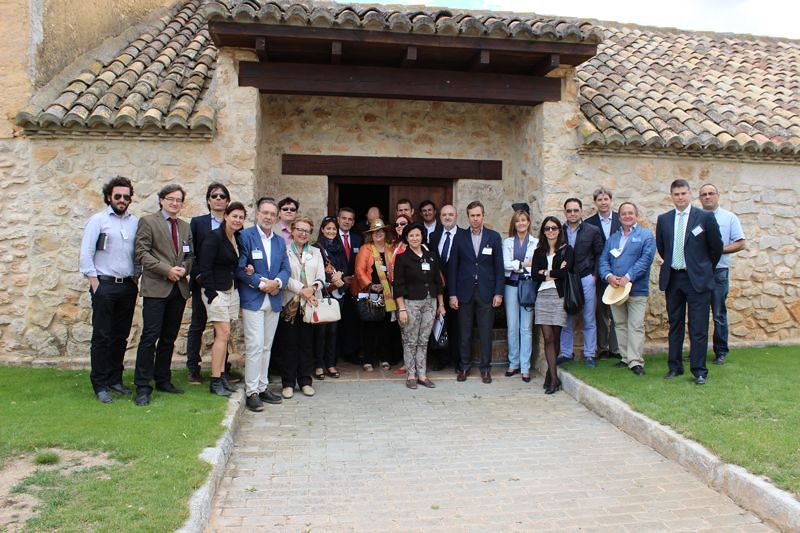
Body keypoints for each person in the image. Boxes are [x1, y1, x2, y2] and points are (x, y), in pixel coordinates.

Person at [79, 176, 140, 404]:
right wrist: (95, 283)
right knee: (102, 336)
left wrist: (136, 277)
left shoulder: (134, 223)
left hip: (126, 285)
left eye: (126, 196)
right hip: (104, 284)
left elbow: (139, 251)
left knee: (120, 336)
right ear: (108, 197)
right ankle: (100, 383)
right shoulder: (98, 220)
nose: (122, 200)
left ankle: (115, 379)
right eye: (118, 196)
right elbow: (86, 252)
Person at [656, 179, 722, 385]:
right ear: (671, 196)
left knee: (698, 326)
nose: (680, 197)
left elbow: (716, 248)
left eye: (683, 193)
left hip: (698, 280)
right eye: (676, 194)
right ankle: (674, 367)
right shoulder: (664, 219)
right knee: (675, 324)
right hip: (674, 278)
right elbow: (662, 248)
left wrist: (703, 268)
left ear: (690, 194)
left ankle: (699, 370)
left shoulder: (704, 218)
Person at [133, 184, 194, 406]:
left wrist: (183, 270)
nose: (175, 203)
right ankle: (142, 385)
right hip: (156, 288)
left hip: (178, 289)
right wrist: (166, 269)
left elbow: (190, 257)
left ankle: (163, 379)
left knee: (169, 338)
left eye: (178, 200)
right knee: (150, 337)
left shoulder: (185, 227)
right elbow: (141, 253)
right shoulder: (148, 222)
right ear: (161, 200)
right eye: (170, 199)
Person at [237, 197, 290, 412]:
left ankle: (262, 386)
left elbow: (286, 269)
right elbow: (241, 268)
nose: (268, 217)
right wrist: (262, 284)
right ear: (257, 213)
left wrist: (277, 283)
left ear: (276, 217)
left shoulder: (278, 241)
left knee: (267, 345)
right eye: (264, 212)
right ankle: (251, 392)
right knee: (255, 345)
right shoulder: (245, 236)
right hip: (254, 298)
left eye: (272, 214)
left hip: (274, 299)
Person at [448, 201, 504, 384]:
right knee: (464, 333)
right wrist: (452, 294)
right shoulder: (459, 237)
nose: (475, 219)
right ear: (468, 217)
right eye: (472, 215)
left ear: (483, 215)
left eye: (478, 215)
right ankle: (464, 367)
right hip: (464, 293)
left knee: (485, 332)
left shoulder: (494, 237)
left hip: (486, 292)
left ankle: (486, 369)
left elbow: (499, 268)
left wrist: (498, 293)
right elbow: (453, 268)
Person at [598, 202, 655, 376]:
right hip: (615, 289)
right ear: (619, 216)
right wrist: (609, 276)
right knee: (620, 324)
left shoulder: (646, 235)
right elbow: (603, 261)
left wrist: (628, 277)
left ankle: (636, 361)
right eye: (623, 213)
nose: (627, 216)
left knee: (635, 325)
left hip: (636, 288)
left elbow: (646, 260)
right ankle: (624, 357)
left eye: (630, 213)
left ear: (636, 215)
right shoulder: (613, 238)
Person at [196, 202, 247, 396]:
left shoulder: (237, 238)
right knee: (222, 334)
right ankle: (215, 380)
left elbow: (233, 263)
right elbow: (204, 268)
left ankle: (222, 377)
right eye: (234, 216)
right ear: (225, 216)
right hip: (216, 291)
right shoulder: (213, 237)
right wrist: (211, 295)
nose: (237, 220)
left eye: (241, 217)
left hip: (231, 290)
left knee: (226, 335)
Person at [186, 182, 230, 384]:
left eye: (222, 196)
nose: (218, 199)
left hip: (224, 284)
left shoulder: (233, 224)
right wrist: (197, 276)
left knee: (222, 328)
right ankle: (193, 368)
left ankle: (223, 369)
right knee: (197, 324)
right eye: (214, 196)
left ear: (227, 201)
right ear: (208, 200)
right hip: (203, 283)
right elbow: (191, 253)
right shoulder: (198, 223)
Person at [393, 222, 446, 389]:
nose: (415, 238)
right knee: (410, 340)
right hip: (411, 304)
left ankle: (422, 374)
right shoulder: (402, 258)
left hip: (430, 303)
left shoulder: (431, 256)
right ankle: (411, 374)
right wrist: (401, 308)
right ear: (406, 238)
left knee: (424, 340)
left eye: (417, 235)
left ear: (422, 236)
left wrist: (441, 304)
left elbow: (438, 282)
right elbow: (398, 286)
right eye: (411, 236)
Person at [699, 183, 746, 365]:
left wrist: (718, 250)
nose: (708, 197)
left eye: (711, 193)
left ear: (718, 196)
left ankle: (720, 352)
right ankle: (698, 351)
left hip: (719, 272)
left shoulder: (729, 218)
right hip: (700, 273)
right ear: (700, 198)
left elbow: (741, 242)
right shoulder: (695, 217)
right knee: (698, 314)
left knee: (718, 313)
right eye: (704, 194)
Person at [279, 216, 326, 398]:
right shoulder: (284, 250)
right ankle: (288, 383)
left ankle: (305, 381)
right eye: (299, 229)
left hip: (310, 304)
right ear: (292, 230)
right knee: (289, 344)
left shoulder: (315, 252)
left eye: (306, 230)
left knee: (307, 344)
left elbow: (321, 276)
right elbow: (282, 275)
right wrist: (301, 290)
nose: (302, 233)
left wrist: (312, 288)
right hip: (290, 303)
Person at [557, 198, 603, 367]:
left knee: (589, 317)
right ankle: (566, 352)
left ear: (581, 212)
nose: (573, 214)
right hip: (566, 279)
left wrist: (595, 276)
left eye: (576, 210)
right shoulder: (559, 230)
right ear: (565, 213)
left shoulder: (592, 230)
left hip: (586, 278)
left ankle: (590, 354)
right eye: (569, 211)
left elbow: (600, 254)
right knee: (566, 317)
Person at [531, 216, 574, 394]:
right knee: (547, 337)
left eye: (554, 228)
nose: (551, 231)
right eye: (547, 228)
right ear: (543, 231)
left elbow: (565, 273)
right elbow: (534, 274)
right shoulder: (538, 251)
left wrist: (546, 272)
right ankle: (554, 378)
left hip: (558, 296)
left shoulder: (566, 250)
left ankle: (550, 374)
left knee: (555, 337)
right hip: (542, 296)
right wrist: (552, 273)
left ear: (559, 230)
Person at [353, 218, 397, 371]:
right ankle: (368, 359)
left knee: (385, 327)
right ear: (370, 235)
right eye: (375, 232)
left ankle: (384, 358)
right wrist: (371, 285)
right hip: (370, 292)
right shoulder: (365, 249)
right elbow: (359, 271)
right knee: (369, 327)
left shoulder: (391, 249)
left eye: (381, 231)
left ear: (385, 233)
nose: (378, 234)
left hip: (388, 294)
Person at [585, 187, 622, 360]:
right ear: (595, 202)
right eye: (599, 200)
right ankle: (603, 348)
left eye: (606, 199)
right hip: (599, 273)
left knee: (617, 311)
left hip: (619, 273)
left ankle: (616, 348)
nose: (603, 202)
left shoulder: (621, 220)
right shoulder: (589, 222)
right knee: (601, 311)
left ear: (611, 200)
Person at [502, 209, 538, 382]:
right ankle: (513, 363)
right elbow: (505, 265)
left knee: (526, 328)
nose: (521, 223)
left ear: (528, 222)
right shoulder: (508, 242)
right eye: (518, 221)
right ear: (514, 224)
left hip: (528, 286)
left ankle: (525, 367)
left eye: (524, 220)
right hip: (511, 286)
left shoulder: (536, 243)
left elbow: (536, 265)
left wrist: (517, 265)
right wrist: (524, 264)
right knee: (512, 326)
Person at [313, 216, 347, 379]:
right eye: (328, 228)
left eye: (334, 229)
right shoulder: (316, 248)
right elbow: (315, 270)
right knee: (320, 331)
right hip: (322, 294)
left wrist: (340, 275)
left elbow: (345, 268)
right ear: (322, 229)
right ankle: (319, 365)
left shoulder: (339, 247)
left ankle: (331, 364)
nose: (331, 231)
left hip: (337, 295)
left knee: (333, 331)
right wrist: (330, 279)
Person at [429, 204, 462, 371]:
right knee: (439, 323)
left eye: (450, 214)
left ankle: (457, 360)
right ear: (440, 218)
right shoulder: (434, 236)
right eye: (444, 215)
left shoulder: (464, 235)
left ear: (456, 216)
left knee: (457, 325)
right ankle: (441, 359)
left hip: (458, 289)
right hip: (438, 289)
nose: (447, 217)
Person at [337, 206, 363, 363]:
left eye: (350, 219)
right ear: (338, 219)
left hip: (354, 287)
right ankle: (334, 354)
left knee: (352, 321)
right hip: (336, 286)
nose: (347, 221)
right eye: (344, 218)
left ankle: (351, 353)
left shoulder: (358, 239)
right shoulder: (332, 237)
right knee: (334, 323)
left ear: (353, 222)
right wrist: (341, 279)